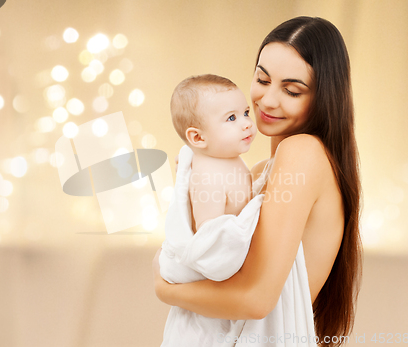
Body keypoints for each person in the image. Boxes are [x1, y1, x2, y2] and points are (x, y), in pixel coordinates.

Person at [153, 16, 362, 347]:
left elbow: (255, 300)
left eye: (291, 90)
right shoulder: (259, 170)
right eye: (263, 80)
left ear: (324, 96)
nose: (267, 101)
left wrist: (166, 289)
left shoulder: (303, 152)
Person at [160, 74, 271, 346]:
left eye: (245, 112)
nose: (247, 123)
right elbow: (210, 244)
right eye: (231, 118)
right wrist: (254, 212)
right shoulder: (207, 175)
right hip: (206, 305)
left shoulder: (230, 160)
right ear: (197, 137)